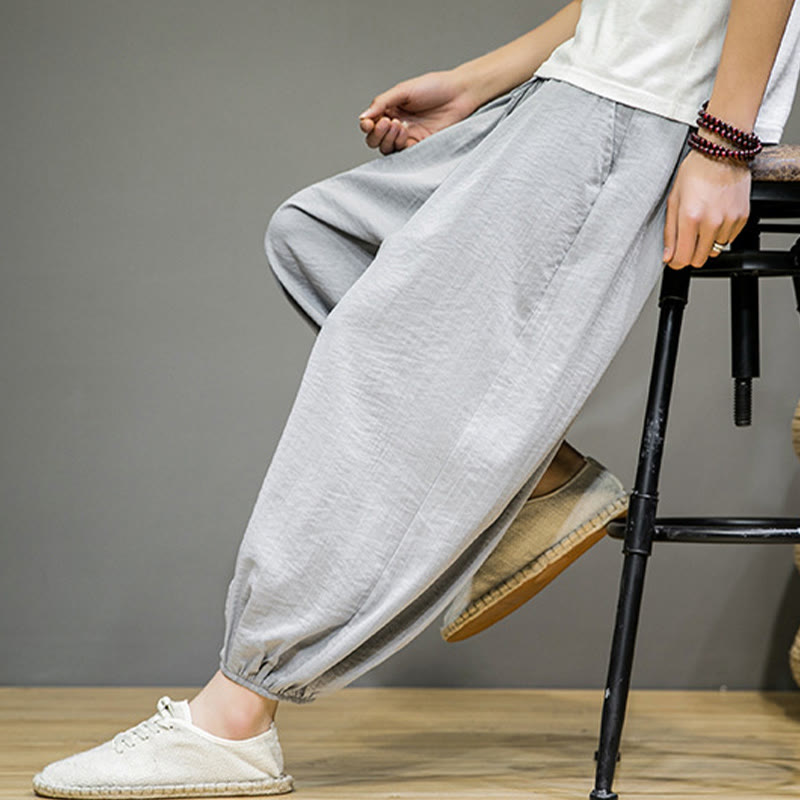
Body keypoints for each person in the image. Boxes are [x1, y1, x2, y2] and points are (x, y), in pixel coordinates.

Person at [32, 0, 800, 797]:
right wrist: (479, 81)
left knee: (385, 360)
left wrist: (724, 141)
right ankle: (543, 479)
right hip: (570, 92)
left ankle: (235, 716)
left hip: (637, 112)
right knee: (319, 232)